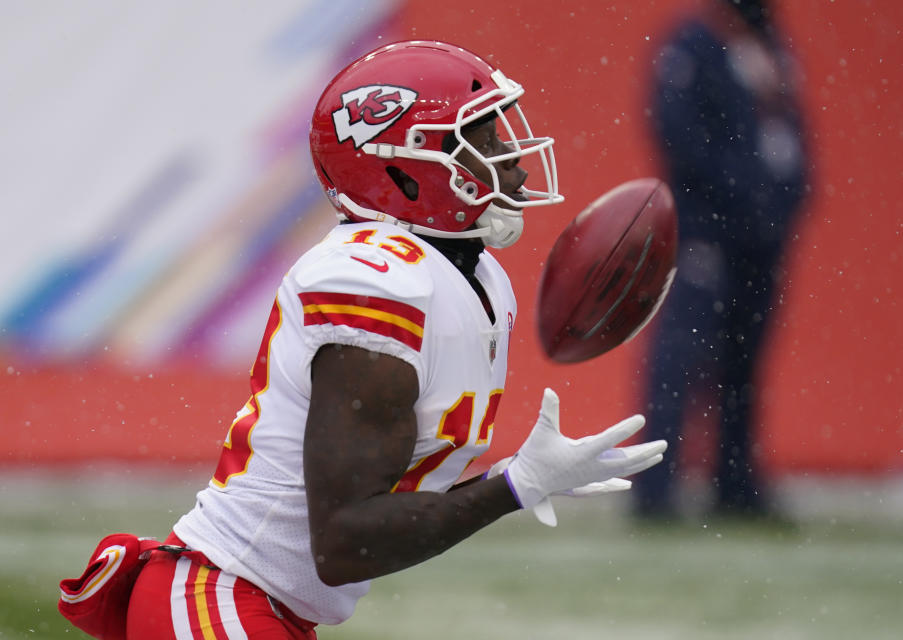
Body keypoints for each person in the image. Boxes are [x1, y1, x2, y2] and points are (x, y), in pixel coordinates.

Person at [63, 40, 668, 638]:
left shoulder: (475, 278)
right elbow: (346, 541)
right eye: (481, 140)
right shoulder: (378, 283)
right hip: (220, 598)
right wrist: (512, 487)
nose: (513, 159)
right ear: (405, 169)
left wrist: (515, 478)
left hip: (261, 607)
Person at [633, 1, 809, 519]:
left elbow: (789, 131)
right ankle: (656, 491)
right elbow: (680, 136)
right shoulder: (692, 45)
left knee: (743, 362)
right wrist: (738, 193)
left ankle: (734, 484)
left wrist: (788, 197)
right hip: (706, 230)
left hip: (763, 234)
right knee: (680, 359)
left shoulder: (770, 44)